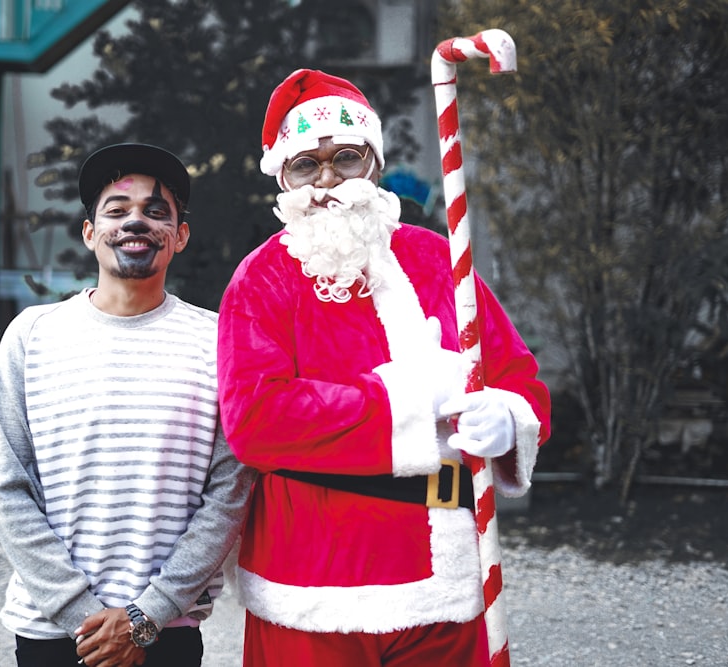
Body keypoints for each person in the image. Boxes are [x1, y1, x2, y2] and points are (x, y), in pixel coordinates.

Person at [216, 69, 552, 666]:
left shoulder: (440, 261)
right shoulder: (261, 278)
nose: (326, 182)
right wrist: (409, 404)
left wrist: (508, 417)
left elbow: (518, 378)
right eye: (304, 166)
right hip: (312, 587)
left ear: (374, 162)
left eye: (345, 159)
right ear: (283, 177)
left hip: (448, 589)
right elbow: (256, 421)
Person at [0, 143, 255, 667]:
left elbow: (229, 491)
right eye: (117, 210)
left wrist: (144, 617)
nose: (136, 221)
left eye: (156, 212)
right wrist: (83, 615)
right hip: (52, 631)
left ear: (179, 237)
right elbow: (9, 488)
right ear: (91, 233)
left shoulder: (219, 341)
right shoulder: (31, 336)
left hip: (166, 630)